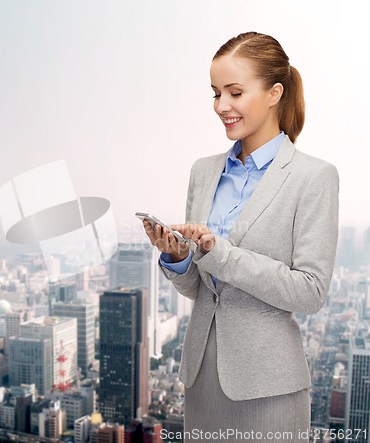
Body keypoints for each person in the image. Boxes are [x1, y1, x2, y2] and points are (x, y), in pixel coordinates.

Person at [142, 32, 339, 443]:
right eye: (215, 93)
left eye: (234, 92)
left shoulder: (313, 177)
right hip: (201, 379)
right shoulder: (204, 171)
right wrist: (178, 257)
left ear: (274, 93)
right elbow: (202, 289)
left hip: (269, 387)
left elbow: (310, 292)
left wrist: (218, 251)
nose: (221, 107)